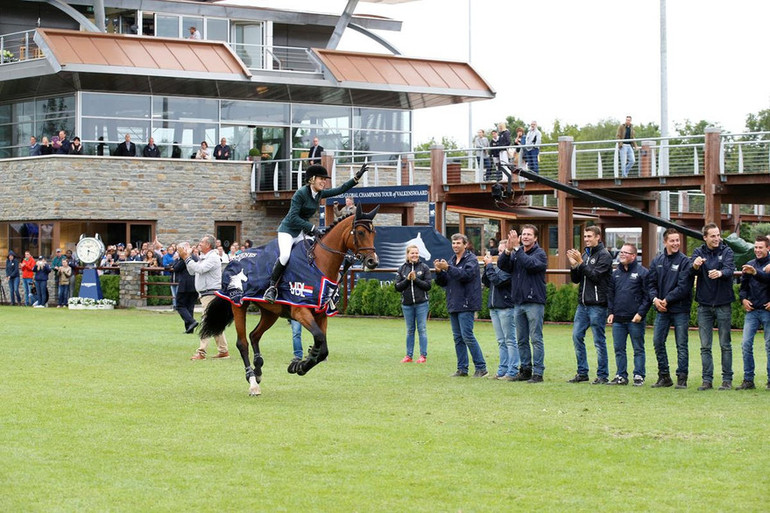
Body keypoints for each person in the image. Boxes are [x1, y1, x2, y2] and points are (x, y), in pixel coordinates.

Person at [263, 163, 368, 303]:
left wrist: (356, 178)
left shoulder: (319, 194)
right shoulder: (300, 194)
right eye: (321, 179)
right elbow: (293, 217)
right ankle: (271, 288)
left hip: (303, 231)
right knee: (285, 255)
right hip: (288, 231)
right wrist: (312, 228)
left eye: (325, 180)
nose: (324, 182)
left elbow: (340, 189)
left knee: (316, 254)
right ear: (312, 179)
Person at [498, 224, 548, 382]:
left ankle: (538, 372)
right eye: (523, 234)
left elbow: (530, 264)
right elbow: (502, 266)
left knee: (536, 338)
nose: (525, 237)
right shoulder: (515, 254)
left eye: (529, 234)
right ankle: (525, 370)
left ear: (535, 238)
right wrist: (507, 250)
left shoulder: (540, 254)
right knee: (521, 339)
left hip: (534, 302)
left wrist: (517, 249)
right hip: (518, 302)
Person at [434, 233, 487, 378]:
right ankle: (462, 369)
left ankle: (481, 367)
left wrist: (448, 268)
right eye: (453, 243)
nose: (455, 246)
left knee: (467, 336)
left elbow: (466, 276)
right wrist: (439, 272)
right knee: (458, 338)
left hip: (467, 302)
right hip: (454, 302)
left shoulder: (471, 260)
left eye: (458, 243)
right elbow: (444, 282)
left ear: (465, 244)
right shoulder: (451, 260)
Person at [691, 223, 735, 391]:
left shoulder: (727, 251)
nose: (717, 238)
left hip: (723, 303)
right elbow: (691, 271)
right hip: (704, 305)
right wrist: (695, 265)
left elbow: (730, 269)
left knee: (725, 344)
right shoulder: (698, 252)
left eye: (718, 235)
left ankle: (727, 380)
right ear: (705, 238)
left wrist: (721, 273)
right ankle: (707, 380)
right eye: (713, 236)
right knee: (705, 346)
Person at [647, 228, 693, 388]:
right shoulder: (657, 261)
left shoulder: (685, 261)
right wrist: (655, 300)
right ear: (665, 242)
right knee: (658, 341)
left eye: (677, 240)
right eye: (672, 240)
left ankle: (682, 378)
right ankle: (664, 376)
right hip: (661, 310)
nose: (676, 243)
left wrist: (666, 300)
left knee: (681, 344)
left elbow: (683, 286)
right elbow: (650, 283)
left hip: (680, 309)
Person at [567, 226, 613, 384]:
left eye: (589, 236)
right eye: (585, 236)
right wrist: (574, 266)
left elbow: (595, 276)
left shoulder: (604, 255)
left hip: (597, 305)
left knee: (598, 341)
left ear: (598, 237)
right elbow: (576, 279)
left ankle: (602, 375)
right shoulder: (585, 255)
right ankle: (582, 372)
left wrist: (580, 262)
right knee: (576, 336)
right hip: (583, 305)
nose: (586, 239)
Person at [606, 243, 651, 386]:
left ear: (633, 256)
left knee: (638, 348)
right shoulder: (616, 273)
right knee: (619, 349)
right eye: (621, 252)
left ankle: (639, 375)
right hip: (618, 319)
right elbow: (611, 294)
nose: (622, 255)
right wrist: (611, 312)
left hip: (635, 319)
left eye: (626, 252)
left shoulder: (642, 272)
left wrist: (640, 313)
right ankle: (621, 375)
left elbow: (647, 296)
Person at [179, 236, 230, 360]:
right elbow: (192, 271)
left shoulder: (212, 257)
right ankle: (223, 351)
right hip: (206, 294)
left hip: (210, 294)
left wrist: (186, 257)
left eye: (202, 242)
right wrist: (188, 258)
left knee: (206, 321)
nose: (199, 244)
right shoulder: (205, 257)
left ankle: (201, 352)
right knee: (215, 323)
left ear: (208, 245)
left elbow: (200, 269)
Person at [482, 239, 518, 379]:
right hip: (495, 307)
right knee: (501, 341)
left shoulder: (509, 268)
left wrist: (489, 266)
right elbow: (486, 281)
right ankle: (502, 370)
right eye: (499, 251)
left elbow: (497, 280)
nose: (500, 254)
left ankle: (512, 370)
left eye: (503, 251)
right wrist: (487, 267)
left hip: (506, 307)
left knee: (510, 340)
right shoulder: (496, 267)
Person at [737, 235, 770, 390]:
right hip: (752, 311)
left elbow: (767, 279)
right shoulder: (749, 265)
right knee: (745, 344)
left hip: (768, 311)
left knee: (769, 346)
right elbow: (743, 288)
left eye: (760, 247)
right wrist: (743, 300)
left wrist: (755, 272)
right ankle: (748, 380)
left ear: (768, 248)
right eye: (755, 247)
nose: (757, 250)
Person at [395, 244, 432, 363]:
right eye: (412, 253)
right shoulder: (402, 269)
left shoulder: (424, 267)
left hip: (422, 303)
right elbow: (398, 287)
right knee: (410, 330)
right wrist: (407, 279)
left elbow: (428, 286)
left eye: (416, 253)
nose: (415, 255)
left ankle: (423, 356)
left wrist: (416, 279)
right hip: (407, 304)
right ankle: (409, 356)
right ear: (407, 255)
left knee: (422, 329)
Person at [171, 243, 198, 334]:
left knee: (180, 305)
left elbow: (176, 268)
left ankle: (191, 321)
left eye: (179, 250)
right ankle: (189, 329)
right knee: (190, 306)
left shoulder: (184, 258)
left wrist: (176, 259)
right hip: (194, 285)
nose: (178, 252)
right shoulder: (194, 257)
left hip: (185, 285)